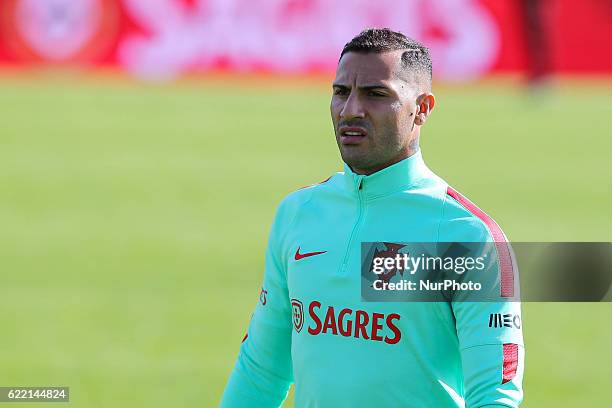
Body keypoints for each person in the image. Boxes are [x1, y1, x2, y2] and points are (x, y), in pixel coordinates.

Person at [221, 28, 524, 407]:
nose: (351, 110)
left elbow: (495, 395)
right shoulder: (298, 214)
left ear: (423, 108)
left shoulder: (466, 235)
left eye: (376, 94)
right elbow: (262, 371)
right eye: (341, 92)